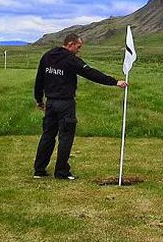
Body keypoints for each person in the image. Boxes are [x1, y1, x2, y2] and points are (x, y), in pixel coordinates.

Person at [33, 33, 127, 180]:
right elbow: (90, 73)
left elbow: (39, 79)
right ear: (70, 44)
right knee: (65, 137)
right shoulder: (70, 59)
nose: (79, 50)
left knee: (48, 135)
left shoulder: (47, 56)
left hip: (50, 103)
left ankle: (39, 170)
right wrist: (114, 82)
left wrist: (39, 99)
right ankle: (61, 172)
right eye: (78, 47)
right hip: (65, 104)